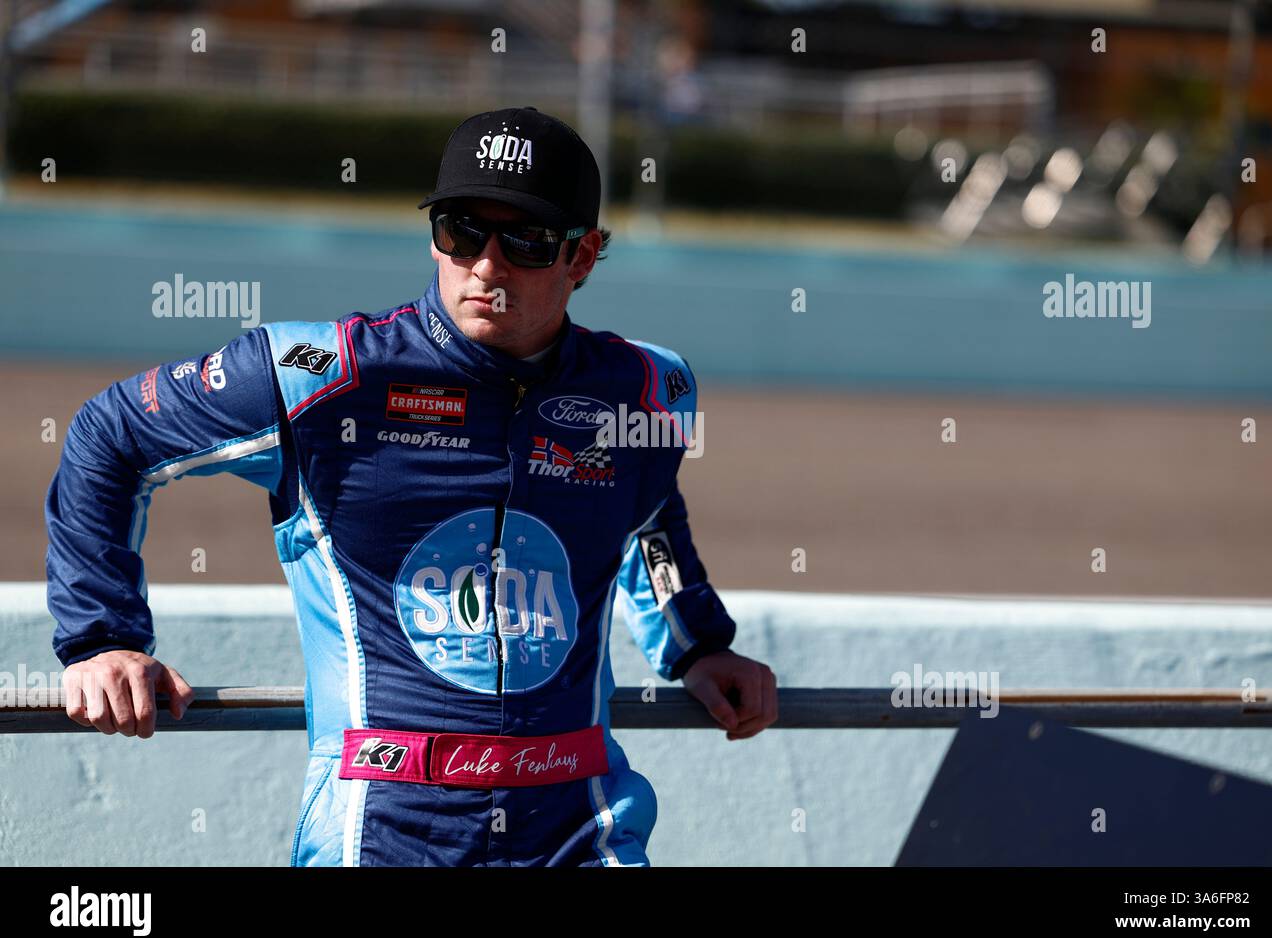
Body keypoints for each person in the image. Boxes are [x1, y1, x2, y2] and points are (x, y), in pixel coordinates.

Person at [45, 105, 778, 866]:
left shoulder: (647, 389)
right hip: (383, 829)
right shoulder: (317, 377)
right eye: (462, 231)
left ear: (583, 257)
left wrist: (697, 642)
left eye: (525, 241)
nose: (487, 265)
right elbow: (112, 433)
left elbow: (647, 507)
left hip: (581, 827)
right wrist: (104, 639)